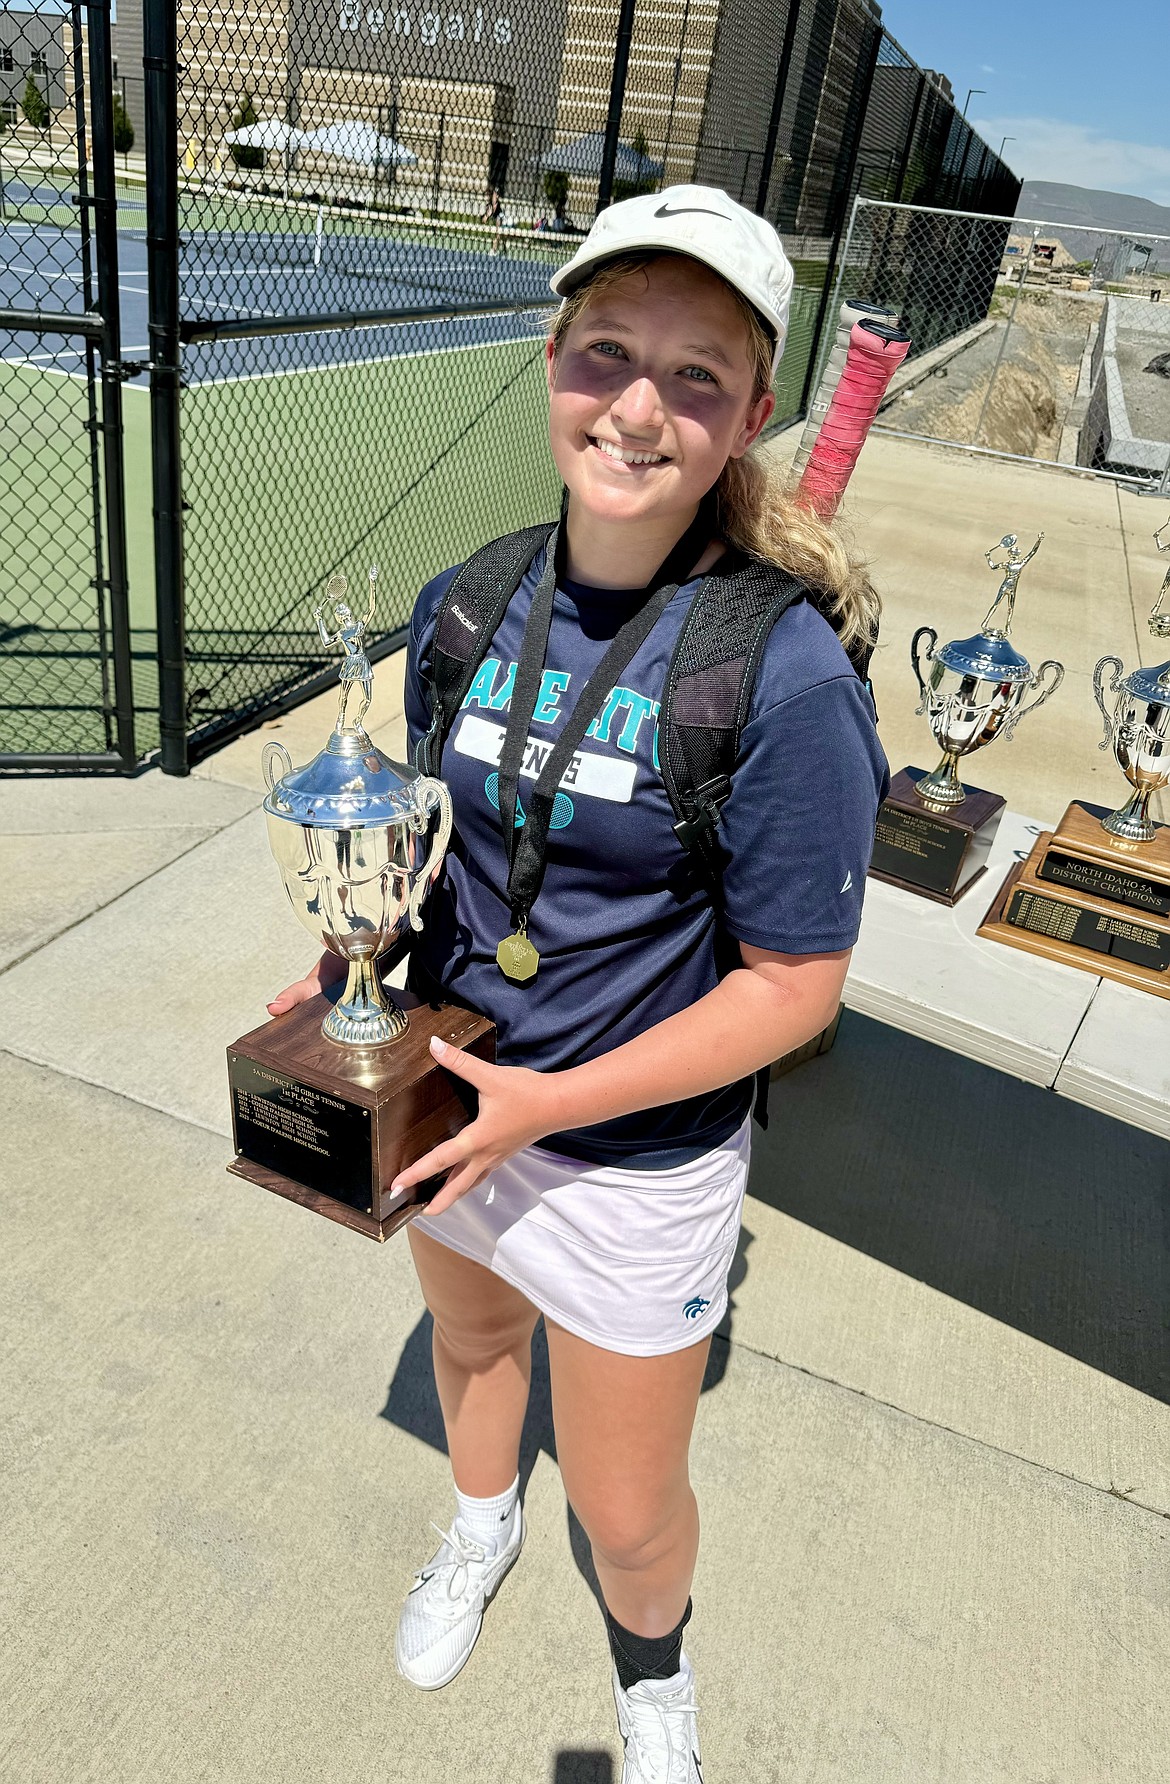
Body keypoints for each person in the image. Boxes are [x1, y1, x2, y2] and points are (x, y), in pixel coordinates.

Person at [268, 184, 888, 1781]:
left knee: (625, 1506)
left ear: (753, 412)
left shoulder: (779, 670)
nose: (636, 406)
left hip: (631, 1155)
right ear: (551, 365)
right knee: (472, 1359)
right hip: (456, 1100)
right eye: (605, 352)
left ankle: (652, 1677)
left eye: (695, 377)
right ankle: (476, 1530)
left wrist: (558, 1103)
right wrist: (358, 966)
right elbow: (447, 852)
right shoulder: (468, 603)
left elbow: (794, 984)